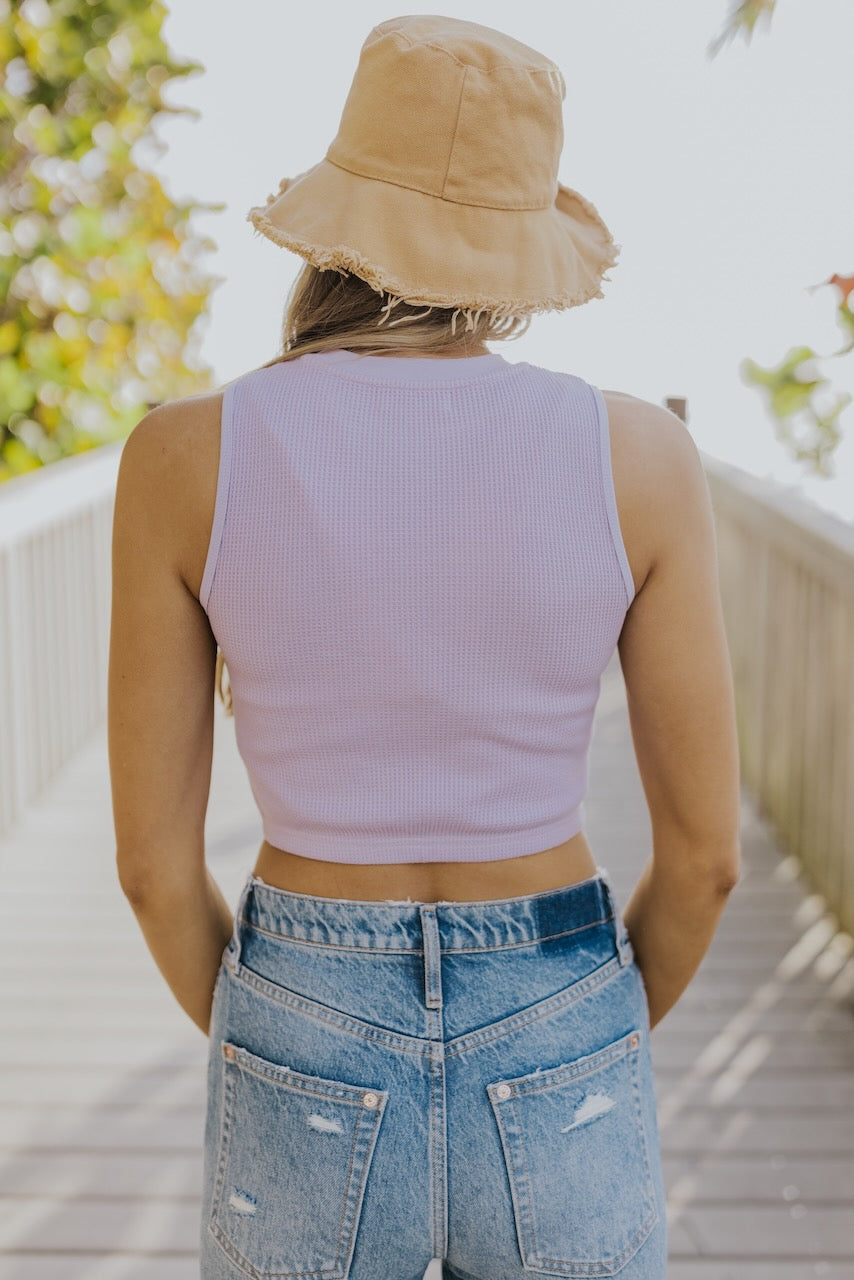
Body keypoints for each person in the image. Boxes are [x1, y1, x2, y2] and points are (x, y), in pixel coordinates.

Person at [107, 15, 741, 1280]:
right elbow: (707, 862)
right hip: (560, 992)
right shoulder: (639, 459)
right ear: (519, 241)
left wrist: (276, 1025)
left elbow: (151, 873)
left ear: (337, 214)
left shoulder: (182, 456)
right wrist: (582, 1028)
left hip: (300, 993)